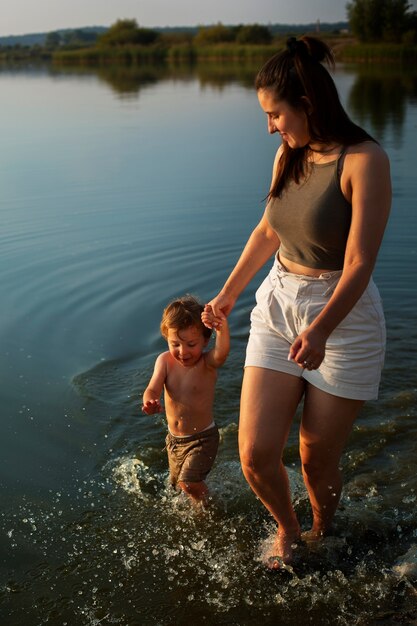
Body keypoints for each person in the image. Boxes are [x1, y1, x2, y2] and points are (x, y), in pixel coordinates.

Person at [205, 36, 391, 568]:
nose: (271, 127)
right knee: (256, 454)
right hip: (279, 301)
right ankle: (288, 530)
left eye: (275, 114)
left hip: (344, 316)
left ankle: (321, 530)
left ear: (307, 104)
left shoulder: (364, 160)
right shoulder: (288, 151)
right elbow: (269, 229)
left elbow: (358, 263)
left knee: (314, 456)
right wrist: (228, 293)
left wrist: (323, 329)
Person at [142, 295, 230, 505]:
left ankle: (210, 511)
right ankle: (199, 506)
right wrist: (150, 401)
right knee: (177, 487)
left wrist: (221, 327)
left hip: (203, 439)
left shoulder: (207, 363)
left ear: (205, 340)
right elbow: (151, 388)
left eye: (191, 344)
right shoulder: (164, 361)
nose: (183, 352)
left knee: (189, 482)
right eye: (176, 344)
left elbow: (222, 351)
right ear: (166, 338)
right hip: (174, 442)